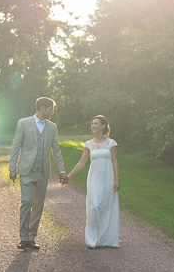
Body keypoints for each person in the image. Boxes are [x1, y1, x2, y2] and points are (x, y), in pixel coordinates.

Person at [9, 97, 69, 251]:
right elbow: (16, 146)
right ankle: (23, 238)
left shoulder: (52, 127)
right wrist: (12, 167)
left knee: (38, 206)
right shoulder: (23, 123)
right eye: (51, 109)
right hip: (27, 171)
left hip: (43, 172)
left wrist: (62, 171)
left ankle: (31, 237)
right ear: (42, 108)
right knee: (27, 202)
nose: (53, 112)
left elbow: (56, 150)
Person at [67, 115, 120, 248]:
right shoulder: (88, 144)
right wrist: (69, 175)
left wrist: (117, 179)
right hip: (94, 179)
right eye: (92, 123)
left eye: (96, 123)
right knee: (94, 206)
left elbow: (114, 161)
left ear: (103, 126)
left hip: (108, 178)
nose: (93, 126)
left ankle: (104, 239)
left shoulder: (111, 143)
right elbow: (81, 163)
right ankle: (92, 239)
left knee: (106, 207)